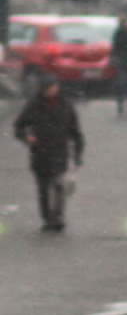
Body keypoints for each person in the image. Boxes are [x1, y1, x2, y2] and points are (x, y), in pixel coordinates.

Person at [13, 76, 84, 232]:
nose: (50, 91)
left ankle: (58, 217)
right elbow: (19, 126)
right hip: (40, 153)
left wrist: (78, 154)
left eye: (52, 87)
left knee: (59, 185)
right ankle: (47, 218)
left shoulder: (66, 105)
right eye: (47, 88)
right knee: (43, 188)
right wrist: (27, 138)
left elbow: (75, 132)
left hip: (59, 152)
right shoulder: (33, 106)